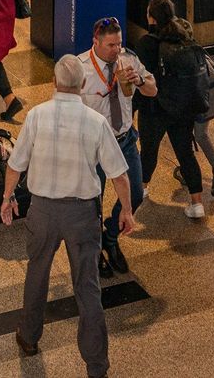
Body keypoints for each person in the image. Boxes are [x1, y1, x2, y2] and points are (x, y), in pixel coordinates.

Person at [2, 53, 138, 378]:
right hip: (82, 215)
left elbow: (15, 164)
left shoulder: (36, 116)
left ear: (54, 82)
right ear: (82, 84)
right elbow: (119, 174)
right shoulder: (95, 121)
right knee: (87, 287)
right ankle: (96, 365)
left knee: (37, 274)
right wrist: (127, 211)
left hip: (42, 211)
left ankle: (30, 337)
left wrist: (8, 198)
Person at [74, 16, 157, 272]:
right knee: (92, 203)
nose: (115, 50)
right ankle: (95, 247)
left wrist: (140, 81)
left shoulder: (128, 60)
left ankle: (111, 236)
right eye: (110, 45)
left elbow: (153, 90)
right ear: (95, 43)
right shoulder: (79, 68)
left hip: (124, 140)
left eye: (118, 44)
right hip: (94, 147)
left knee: (134, 193)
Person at [134, 0, 214, 218]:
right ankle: (197, 202)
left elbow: (141, 78)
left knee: (149, 151)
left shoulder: (147, 43)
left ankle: (141, 189)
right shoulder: (185, 38)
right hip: (181, 106)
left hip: (154, 108)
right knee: (185, 153)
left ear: (151, 17)